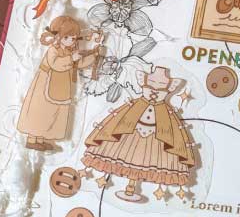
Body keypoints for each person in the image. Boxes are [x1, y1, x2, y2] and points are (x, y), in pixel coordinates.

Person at [83, 64, 196, 202]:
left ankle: (131, 188)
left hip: (157, 134)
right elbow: (123, 119)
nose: (155, 90)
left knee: (147, 158)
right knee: (128, 154)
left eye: (161, 87)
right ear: (144, 82)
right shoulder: (136, 103)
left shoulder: (166, 111)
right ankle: (130, 188)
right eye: (151, 85)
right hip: (133, 129)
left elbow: (169, 131)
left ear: (169, 88)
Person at [17, 16, 101, 150]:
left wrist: (94, 56)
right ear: (58, 36)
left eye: (74, 38)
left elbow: (78, 64)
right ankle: (32, 139)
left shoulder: (69, 51)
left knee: (52, 113)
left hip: (60, 85)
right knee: (41, 110)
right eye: (67, 37)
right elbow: (55, 64)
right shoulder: (53, 50)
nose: (71, 40)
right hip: (45, 84)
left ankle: (41, 139)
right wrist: (71, 58)